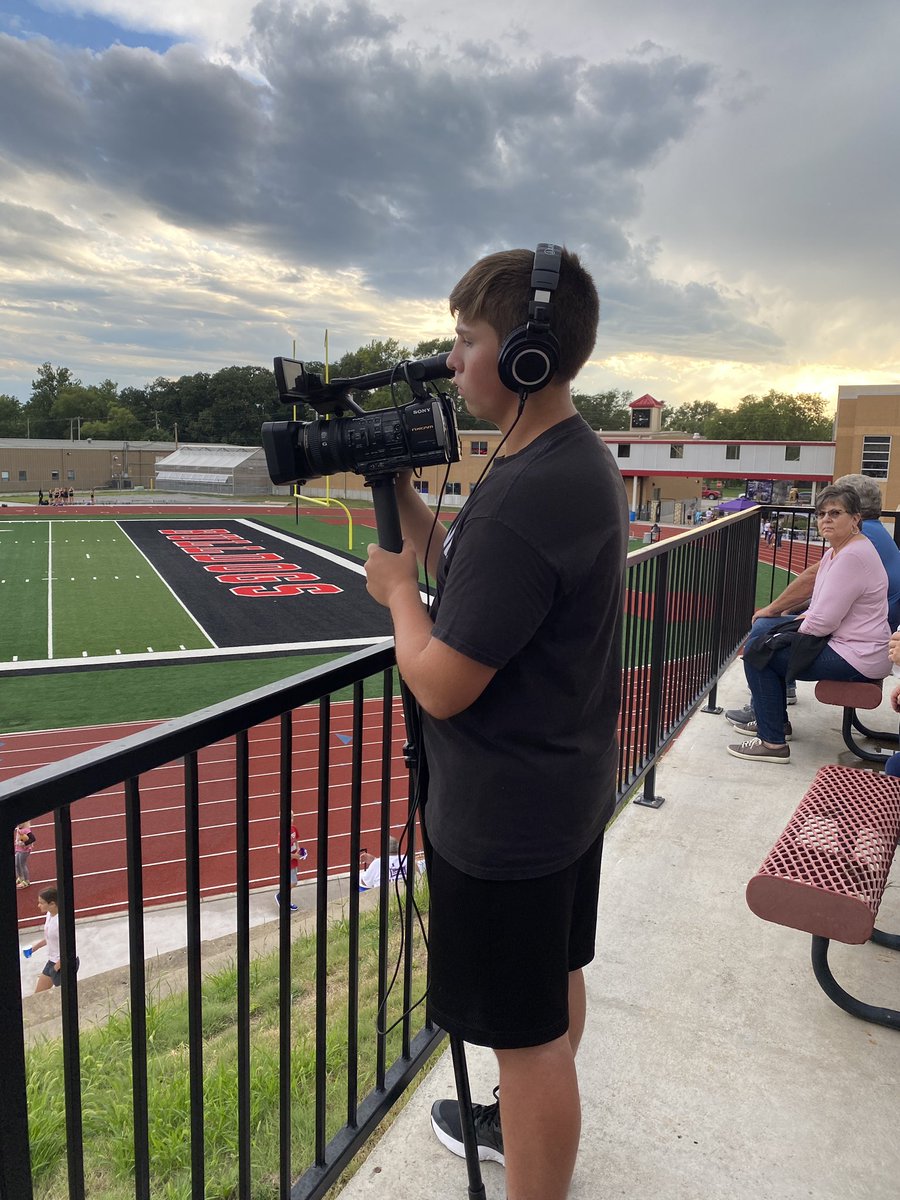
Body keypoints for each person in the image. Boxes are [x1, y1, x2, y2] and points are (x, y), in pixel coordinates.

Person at [364, 244, 627, 1200]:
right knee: (550, 991)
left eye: (466, 340)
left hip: (507, 817)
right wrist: (411, 519)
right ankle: (514, 1127)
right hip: (560, 792)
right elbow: (483, 594)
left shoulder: (527, 492)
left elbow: (440, 681)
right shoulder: (565, 457)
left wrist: (397, 592)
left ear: (526, 356)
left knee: (526, 1044)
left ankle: (529, 1166)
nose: (451, 358)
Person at [727, 484, 891, 763]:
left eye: (835, 513)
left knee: (758, 653)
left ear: (855, 519)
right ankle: (774, 722)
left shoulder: (852, 556)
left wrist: (783, 633)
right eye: (821, 513)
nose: (826, 519)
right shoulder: (839, 550)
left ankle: (773, 742)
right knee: (764, 635)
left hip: (857, 655)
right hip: (851, 644)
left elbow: (823, 622)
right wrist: (782, 625)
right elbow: (819, 609)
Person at [22, 886, 78, 992]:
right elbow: (49, 937)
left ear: (52, 904)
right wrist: (35, 948)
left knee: (64, 996)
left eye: (42, 903)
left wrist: (55, 968)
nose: (38, 905)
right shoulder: (49, 914)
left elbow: (69, 949)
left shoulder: (61, 922)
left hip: (62, 965)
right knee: (38, 995)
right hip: (52, 962)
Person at [275, 819, 307, 912]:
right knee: (293, 882)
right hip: (288, 861)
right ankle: (280, 896)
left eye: (292, 817)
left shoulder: (294, 829)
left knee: (291, 881)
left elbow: (296, 840)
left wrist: (299, 850)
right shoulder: (283, 833)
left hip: (294, 860)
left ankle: (285, 900)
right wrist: (294, 856)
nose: (291, 820)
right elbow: (280, 851)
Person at [14, 823, 35, 888]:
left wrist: (24, 843)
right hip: (18, 849)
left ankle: (26, 881)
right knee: (17, 864)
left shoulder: (26, 830)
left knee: (22, 865)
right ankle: (20, 878)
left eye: (21, 823)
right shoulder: (18, 829)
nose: (19, 824)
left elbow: (33, 839)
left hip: (24, 850)